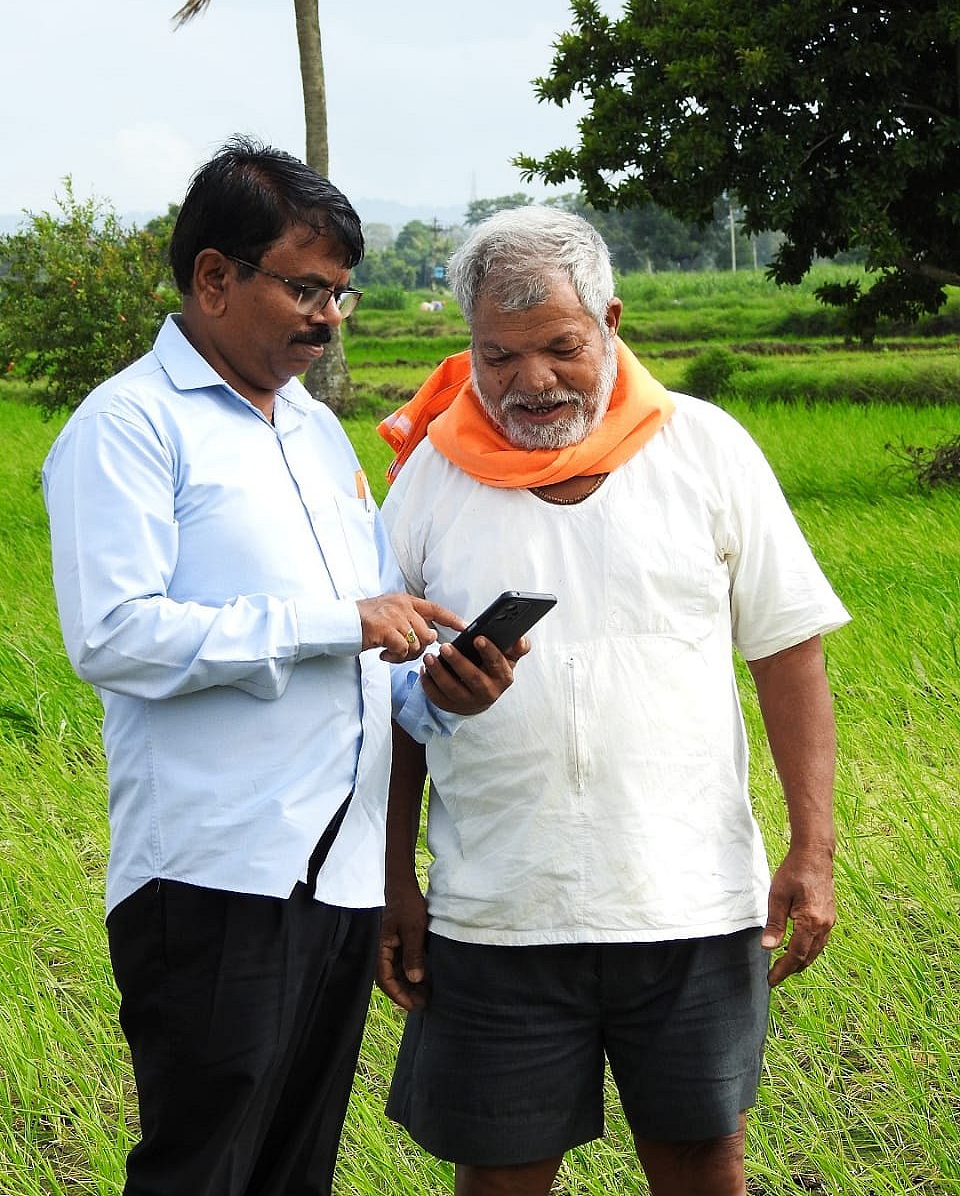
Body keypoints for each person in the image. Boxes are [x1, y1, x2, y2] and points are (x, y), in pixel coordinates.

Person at [41, 137, 521, 1196]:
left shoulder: (314, 433)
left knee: (294, 1172)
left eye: (341, 294)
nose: (328, 318)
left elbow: (367, 653)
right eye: (305, 289)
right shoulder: (128, 426)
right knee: (202, 1170)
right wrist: (335, 622)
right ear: (215, 277)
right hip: (215, 876)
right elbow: (113, 633)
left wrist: (443, 694)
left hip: (338, 874)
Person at [374, 206, 850, 1196]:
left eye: (561, 347)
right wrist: (393, 879)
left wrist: (813, 848)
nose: (531, 381)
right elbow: (381, 699)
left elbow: (787, 650)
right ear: (469, 345)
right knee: (500, 1174)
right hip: (497, 907)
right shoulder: (430, 480)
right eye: (498, 356)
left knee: (702, 1160)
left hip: (689, 901)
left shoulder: (706, 449)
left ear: (611, 321)